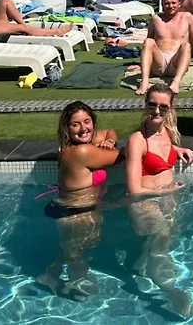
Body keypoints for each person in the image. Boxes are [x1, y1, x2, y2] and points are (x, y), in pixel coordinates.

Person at [125, 84, 193, 317]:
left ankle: (139, 264)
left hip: (166, 198)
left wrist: (178, 149)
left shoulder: (166, 130)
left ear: (170, 109)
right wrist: (166, 192)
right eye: (152, 105)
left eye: (163, 107)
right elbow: (134, 189)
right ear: (145, 105)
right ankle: (172, 291)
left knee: (164, 240)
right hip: (145, 202)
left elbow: (162, 147)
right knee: (162, 244)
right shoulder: (137, 140)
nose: (157, 111)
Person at [38, 101, 122, 300]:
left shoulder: (74, 146)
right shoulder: (81, 151)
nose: (83, 128)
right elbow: (120, 156)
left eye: (87, 121)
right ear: (67, 128)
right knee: (77, 257)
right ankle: (76, 288)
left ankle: (48, 276)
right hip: (77, 213)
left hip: (73, 209)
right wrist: (111, 148)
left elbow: (110, 132)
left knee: (73, 250)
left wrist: (109, 141)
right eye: (75, 124)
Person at [136, 0, 193, 95]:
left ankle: (176, 81)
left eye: (173, 3)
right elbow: (148, 45)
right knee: (148, 41)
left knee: (186, 45)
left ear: (179, 4)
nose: (170, 6)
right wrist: (141, 65)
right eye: (167, 3)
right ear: (162, 5)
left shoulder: (187, 17)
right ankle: (144, 81)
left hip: (176, 62)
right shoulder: (156, 19)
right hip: (159, 61)